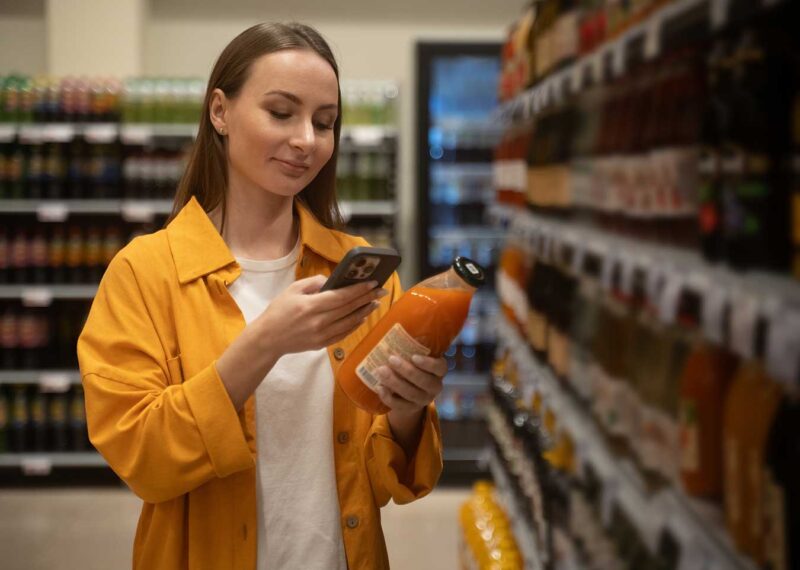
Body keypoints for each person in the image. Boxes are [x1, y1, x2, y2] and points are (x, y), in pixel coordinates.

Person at [77, 22, 445, 570]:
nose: (307, 140)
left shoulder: (361, 270)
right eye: (281, 113)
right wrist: (265, 342)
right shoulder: (145, 273)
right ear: (219, 112)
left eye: (325, 123)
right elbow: (142, 458)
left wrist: (410, 408)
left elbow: (388, 480)